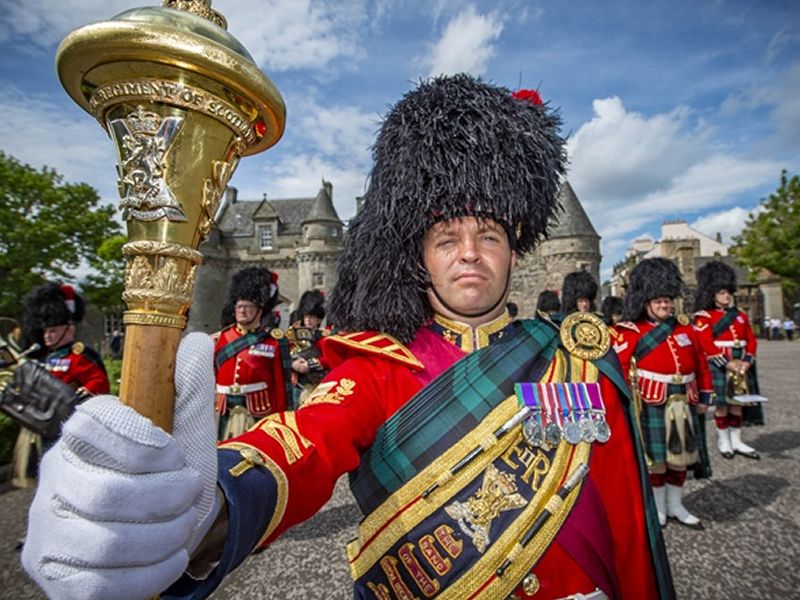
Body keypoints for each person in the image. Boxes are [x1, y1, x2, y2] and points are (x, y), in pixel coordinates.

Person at [22, 75, 673, 600]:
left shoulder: (580, 360)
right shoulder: (377, 367)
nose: (470, 254)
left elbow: (624, 520)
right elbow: (299, 446)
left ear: (516, 249)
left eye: (490, 236)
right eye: (448, 238)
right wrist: (198, 513)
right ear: (421, 256)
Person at [612, 258, 714, 528]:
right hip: (651, 401)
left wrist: (705, 395)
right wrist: (623, 403)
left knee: (681, 457)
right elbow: (619, 369)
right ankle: (658, 508)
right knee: (656, 460)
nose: (665, 305)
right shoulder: (630, 332)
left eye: (668, 300)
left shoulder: (685, 328)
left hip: (685, 397)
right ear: (645, 302)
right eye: (658, 301)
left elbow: (701, 363)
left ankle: (676, 505)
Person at [12, 283, 109, 488]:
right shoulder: (43, 356)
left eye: (53, 330)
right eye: (45, 331)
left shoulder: (80, 355)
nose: (47, 336)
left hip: (68, 424)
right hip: (44, 424)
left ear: (69, 328)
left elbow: (97, 385)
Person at [693, 261, 763, 459]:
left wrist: (747, 361)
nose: (727, 296)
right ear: (713, 294)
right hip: (721, 363)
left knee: (737, 403)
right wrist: (728, 363)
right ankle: (724, 440)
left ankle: (737, 440)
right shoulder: (704, 316)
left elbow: (751, 339)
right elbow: (706, 343)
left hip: (741, 362)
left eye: (728, 293)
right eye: (722, 292)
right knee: (722, 404)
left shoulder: (740, 315)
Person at [213, 267, 292, 441]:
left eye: (248, 306)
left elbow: (281, 388)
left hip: (258, 412)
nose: (242, 310)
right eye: (239, 305)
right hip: (225, 411)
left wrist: (280, 422)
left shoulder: (273, 341)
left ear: (260, 310)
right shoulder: (222, 338)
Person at [286, 289, 329, 406]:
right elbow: (283, 355)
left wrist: (309, 365)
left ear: (319, 319)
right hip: (298, 384)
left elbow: (330, 358)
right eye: (306, 316)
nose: (309, 320)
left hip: (318, 384)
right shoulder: (292, 335)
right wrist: (293, 364)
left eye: (312, 317)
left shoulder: (325, 336)